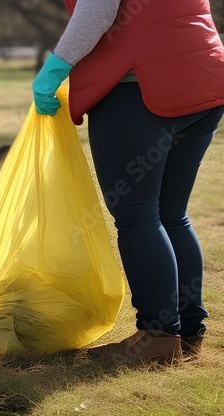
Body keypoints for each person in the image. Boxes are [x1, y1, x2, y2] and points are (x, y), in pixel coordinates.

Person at [33, 0, 224, 364]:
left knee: (137, 215)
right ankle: (188, 331)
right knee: (171, 214)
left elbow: (98, 9)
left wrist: (57, 65)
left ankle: (157, 337)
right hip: (204, 77)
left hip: (141, 86)